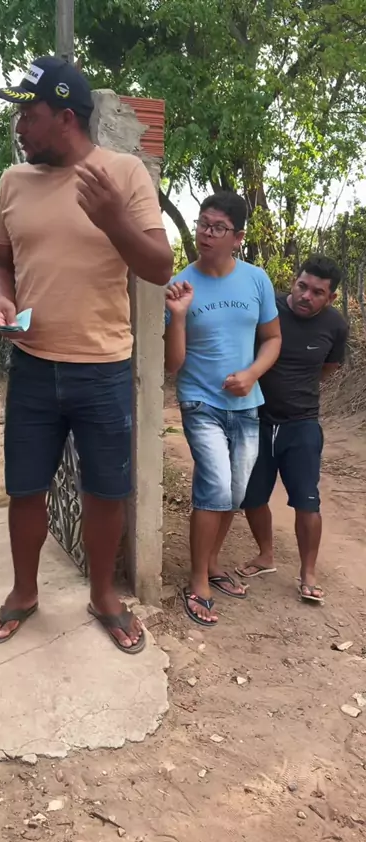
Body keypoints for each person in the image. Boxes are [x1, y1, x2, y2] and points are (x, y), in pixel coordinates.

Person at [0, 56, 173, 652]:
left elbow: (158, 266)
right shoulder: (13, 182)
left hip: (104, 367)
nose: (19, 125)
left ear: (65, 117)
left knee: (106, 491)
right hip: (33, 365)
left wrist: (114, 218)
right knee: (25, 488)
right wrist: (2, 297)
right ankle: (23, 593)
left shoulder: (124, 174)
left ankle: (104, 597)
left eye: (29, 114)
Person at [164, 191, 281, 627]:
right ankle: (198, 582)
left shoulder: (256, 280)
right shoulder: (181, 284)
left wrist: (252, 373)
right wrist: (178, 315)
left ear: (238, 237)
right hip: (200, 401)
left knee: (233, 493)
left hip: (247, 404)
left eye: (218, 227)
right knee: (214, 485)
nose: (206, 234)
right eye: (203, 224)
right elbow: (172, 364)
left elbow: (273, 339)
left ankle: (213, 564)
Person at [239, 255, 348, 603]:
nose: (306, 296)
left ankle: (308, 573)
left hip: (302, 424)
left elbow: (329, 367)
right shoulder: (267, 308)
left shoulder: (335, 325)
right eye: (302, 286)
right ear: (294, 281)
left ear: (330, 297)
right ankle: (265, 555)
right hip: (256, 419)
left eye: (317, 292)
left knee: (307, 501)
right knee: (252, 496)